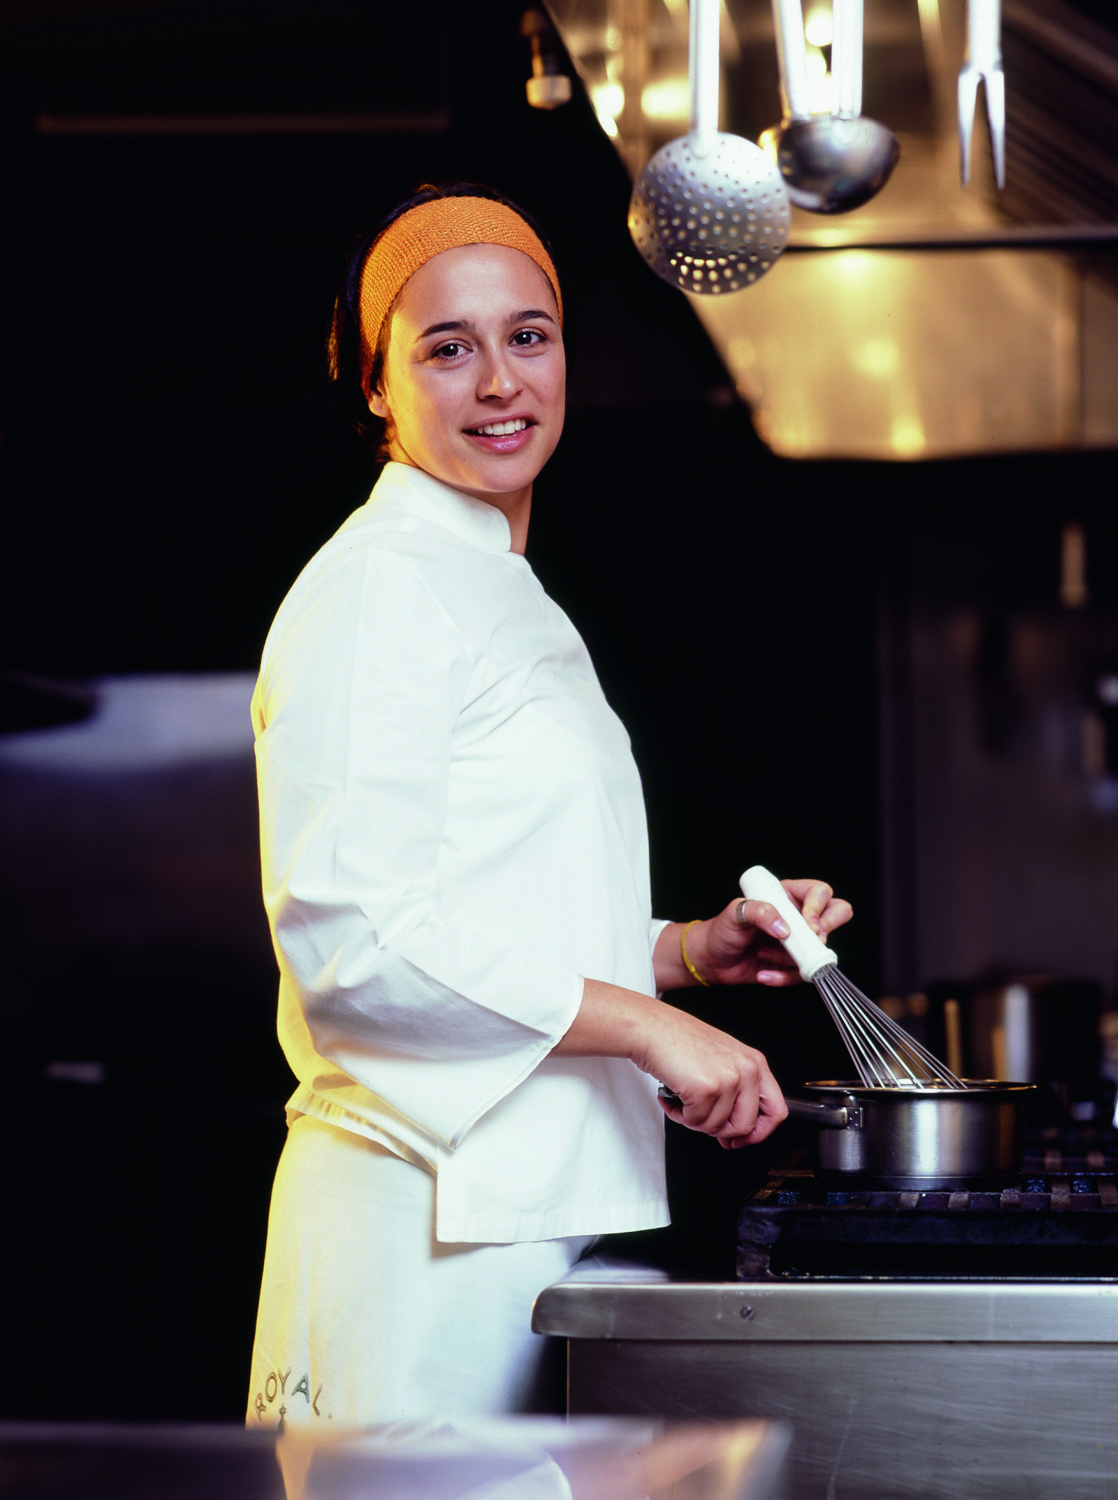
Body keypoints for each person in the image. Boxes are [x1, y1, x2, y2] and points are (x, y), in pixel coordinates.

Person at [246, 183, 851, 1432]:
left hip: (515, 1218)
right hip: (415, 1236)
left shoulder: (494, 583)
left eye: (529, 335)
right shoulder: (379, 591)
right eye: (446, 347)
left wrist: (681, 955)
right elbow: (356, 945)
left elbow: (475, 916)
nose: (501, 382)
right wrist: (641, 1025)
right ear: (376, 386)